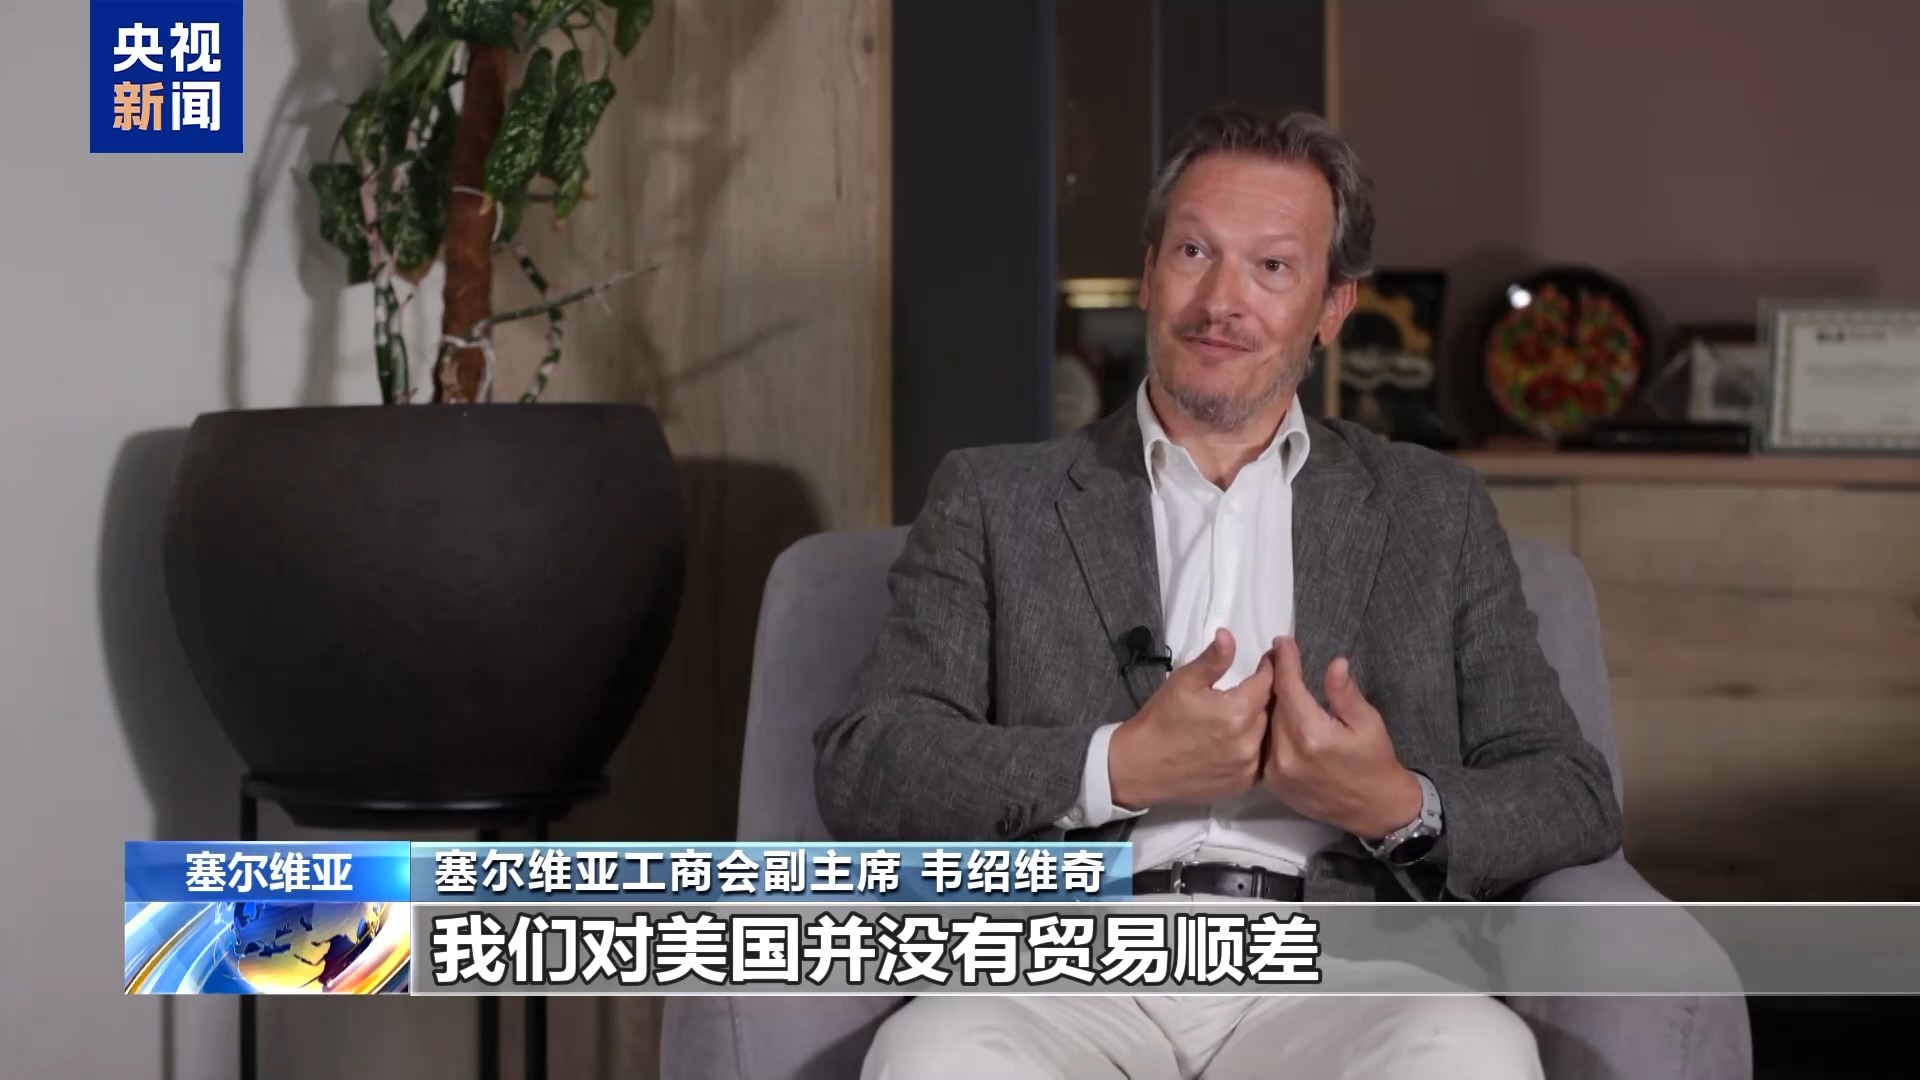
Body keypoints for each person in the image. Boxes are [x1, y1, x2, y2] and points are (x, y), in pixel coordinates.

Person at [813, 102, 1623, 1080]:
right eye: (1194, 252)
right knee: (934, 1059)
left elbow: (1570, 791)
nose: (1220, 301)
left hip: (1341, 966)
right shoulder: (993, 498)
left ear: (1331, 308)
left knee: (1471, 1055)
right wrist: (1116, 766)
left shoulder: (1433, 510)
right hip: (1061, 965)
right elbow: (872, 761)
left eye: (1272, 266)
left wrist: (1395, 802)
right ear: (1148, 273)